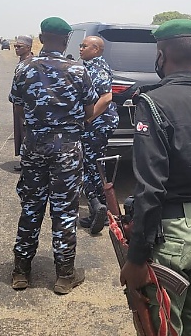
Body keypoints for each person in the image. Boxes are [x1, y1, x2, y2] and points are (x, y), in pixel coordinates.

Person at [119, 19, 191, 336]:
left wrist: (137, 256)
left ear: (162, 54)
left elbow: (150, 188)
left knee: (162, 325)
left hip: (169, 237)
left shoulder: (153, 103)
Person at [8, 17, 97, 293]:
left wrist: (38, 126)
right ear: (67, 39)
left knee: (31, 207)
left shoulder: (24, 69)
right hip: (67, 149)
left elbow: (19, 108)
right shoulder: (78, 71)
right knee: (65, 211)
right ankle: (64, 275)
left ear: (41, 38)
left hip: (35, 145)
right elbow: (90, 112)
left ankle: (21, 272)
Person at [77, 36, 119, 234]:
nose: (80, 48)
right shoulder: (91, 64)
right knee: (94, 164)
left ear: (96, 49)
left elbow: (106, 97)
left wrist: (87, 119)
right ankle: (99, 208)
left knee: (91, 165)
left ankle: (99, 208)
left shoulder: (96, 68)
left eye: (84, 46)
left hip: (97, 123)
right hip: (98, 123)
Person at [11, 35, 34, 172]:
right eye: (15, 46)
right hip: (19, 102)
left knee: (26, 132)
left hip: (26, 105)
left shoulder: (30, 62)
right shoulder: (22, 61)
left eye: (20, 47)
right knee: (20, 131)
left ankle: (26, 160)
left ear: (29, 48)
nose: (17, 49)